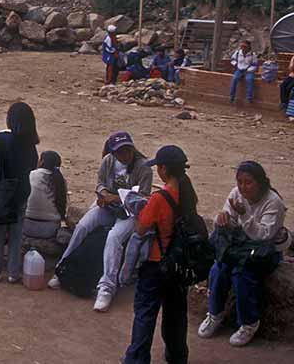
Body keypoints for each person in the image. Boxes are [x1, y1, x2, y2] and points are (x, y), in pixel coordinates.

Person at [50, 131, 154, 312]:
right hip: (108, 207)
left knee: (113, 238)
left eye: (127, 150)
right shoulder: (108, 161)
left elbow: (143, 199)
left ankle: (106, 287)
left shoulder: (143, 167)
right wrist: (104, 195)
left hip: (130, 213)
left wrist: (116, 198)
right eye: (120, 152)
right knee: (83, 226)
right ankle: (63, 268)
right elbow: (99, 184)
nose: (125, 155)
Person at [198, 161, 290, 348]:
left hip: (264, 252)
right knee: (219, 268)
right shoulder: (236, 194)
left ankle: (249, 323)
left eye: (248, 183)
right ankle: (215, 314)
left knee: (241, 274)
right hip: (241, 248)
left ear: (261, 183)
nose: (243, 187)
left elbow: (263, 236)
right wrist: (222, 218)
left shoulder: (273, 202)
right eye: (240, 182)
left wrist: (244, 215)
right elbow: (228, 218)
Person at [123, 145, 200, 364]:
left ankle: (136, 359)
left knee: (145, 314)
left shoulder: (159, 198)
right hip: (178, 264)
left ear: (164, 169)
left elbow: (140, 229)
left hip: (157, 263)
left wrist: (140, 208)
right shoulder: (188, 193)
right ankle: (177, 357)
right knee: (175, 316)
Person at [0, 102, 39, 283]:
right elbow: (33, 166)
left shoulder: (0, 140)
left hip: (0, 192)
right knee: (16, 233)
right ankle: (13, 273)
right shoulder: (30, 144)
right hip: (21, 191)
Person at [24, 151, 68, 240]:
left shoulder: (31, 174)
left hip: (26, 226)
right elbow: (62, 206)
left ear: (42, 161)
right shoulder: (60, 181)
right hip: (49, 230)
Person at [229, 40, 257, 104]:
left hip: (249, 71)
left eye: (244, 46)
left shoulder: (253, 54)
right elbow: (232, 60)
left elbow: (255, 65)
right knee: (234, 79)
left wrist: (248, 70)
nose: (243, 48)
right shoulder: (238, 53)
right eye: (241, 46)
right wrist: (236, 64)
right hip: (239, 70)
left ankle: (249, 98)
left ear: (248, 47)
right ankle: (231, 97)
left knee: (250, 80)